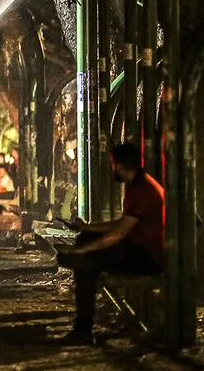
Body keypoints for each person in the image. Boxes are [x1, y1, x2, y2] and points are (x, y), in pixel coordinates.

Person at [56, 143, 164, 344]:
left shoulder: (142, 190)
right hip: (139, 249)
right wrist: (88, 228)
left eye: (114, 164)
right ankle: (84, 327)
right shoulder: (137, 184)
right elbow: (123, 223)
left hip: (147, 256)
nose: (113, 169)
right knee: (85, 243)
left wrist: (82, 251)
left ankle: (83, 330)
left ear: (120, 166)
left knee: (86, 263)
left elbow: (118, 234)